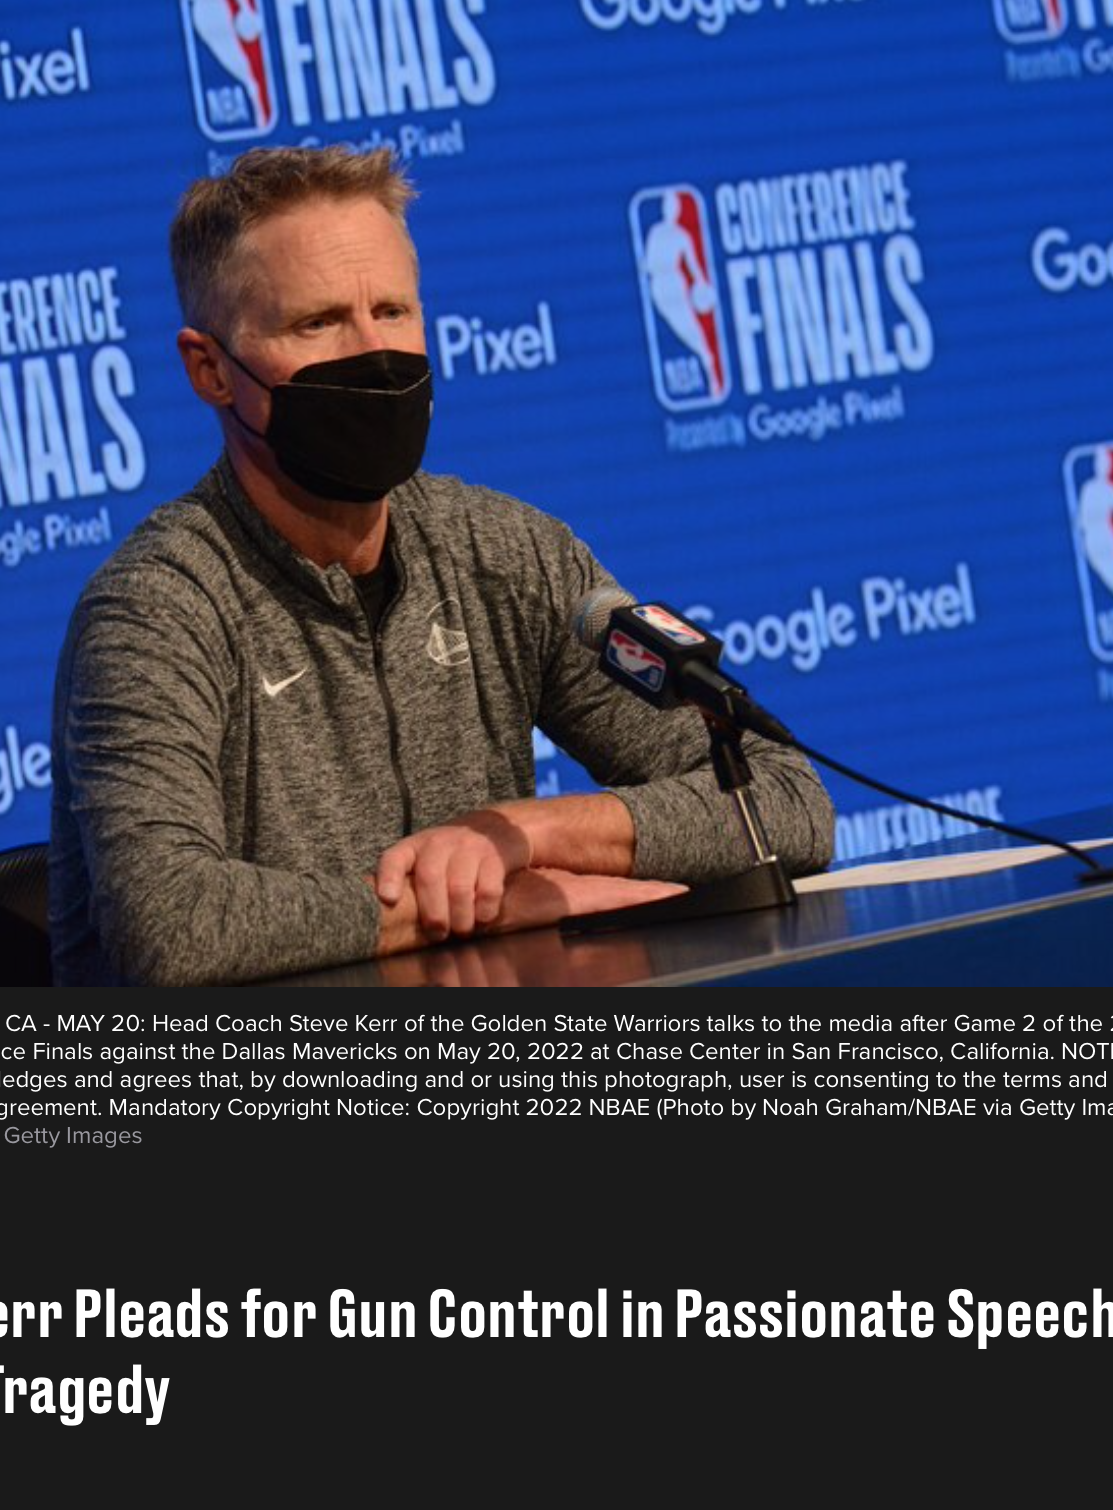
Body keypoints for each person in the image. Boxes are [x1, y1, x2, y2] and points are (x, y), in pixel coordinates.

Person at [49, 145, 833, 985]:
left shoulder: (501, 554)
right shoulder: (158, 610)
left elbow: (787, 804)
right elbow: (173, 928)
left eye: (391, 310)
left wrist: (519, 833)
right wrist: (465, 904)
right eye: (316, 324)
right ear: (211, 370)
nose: (372, 355)